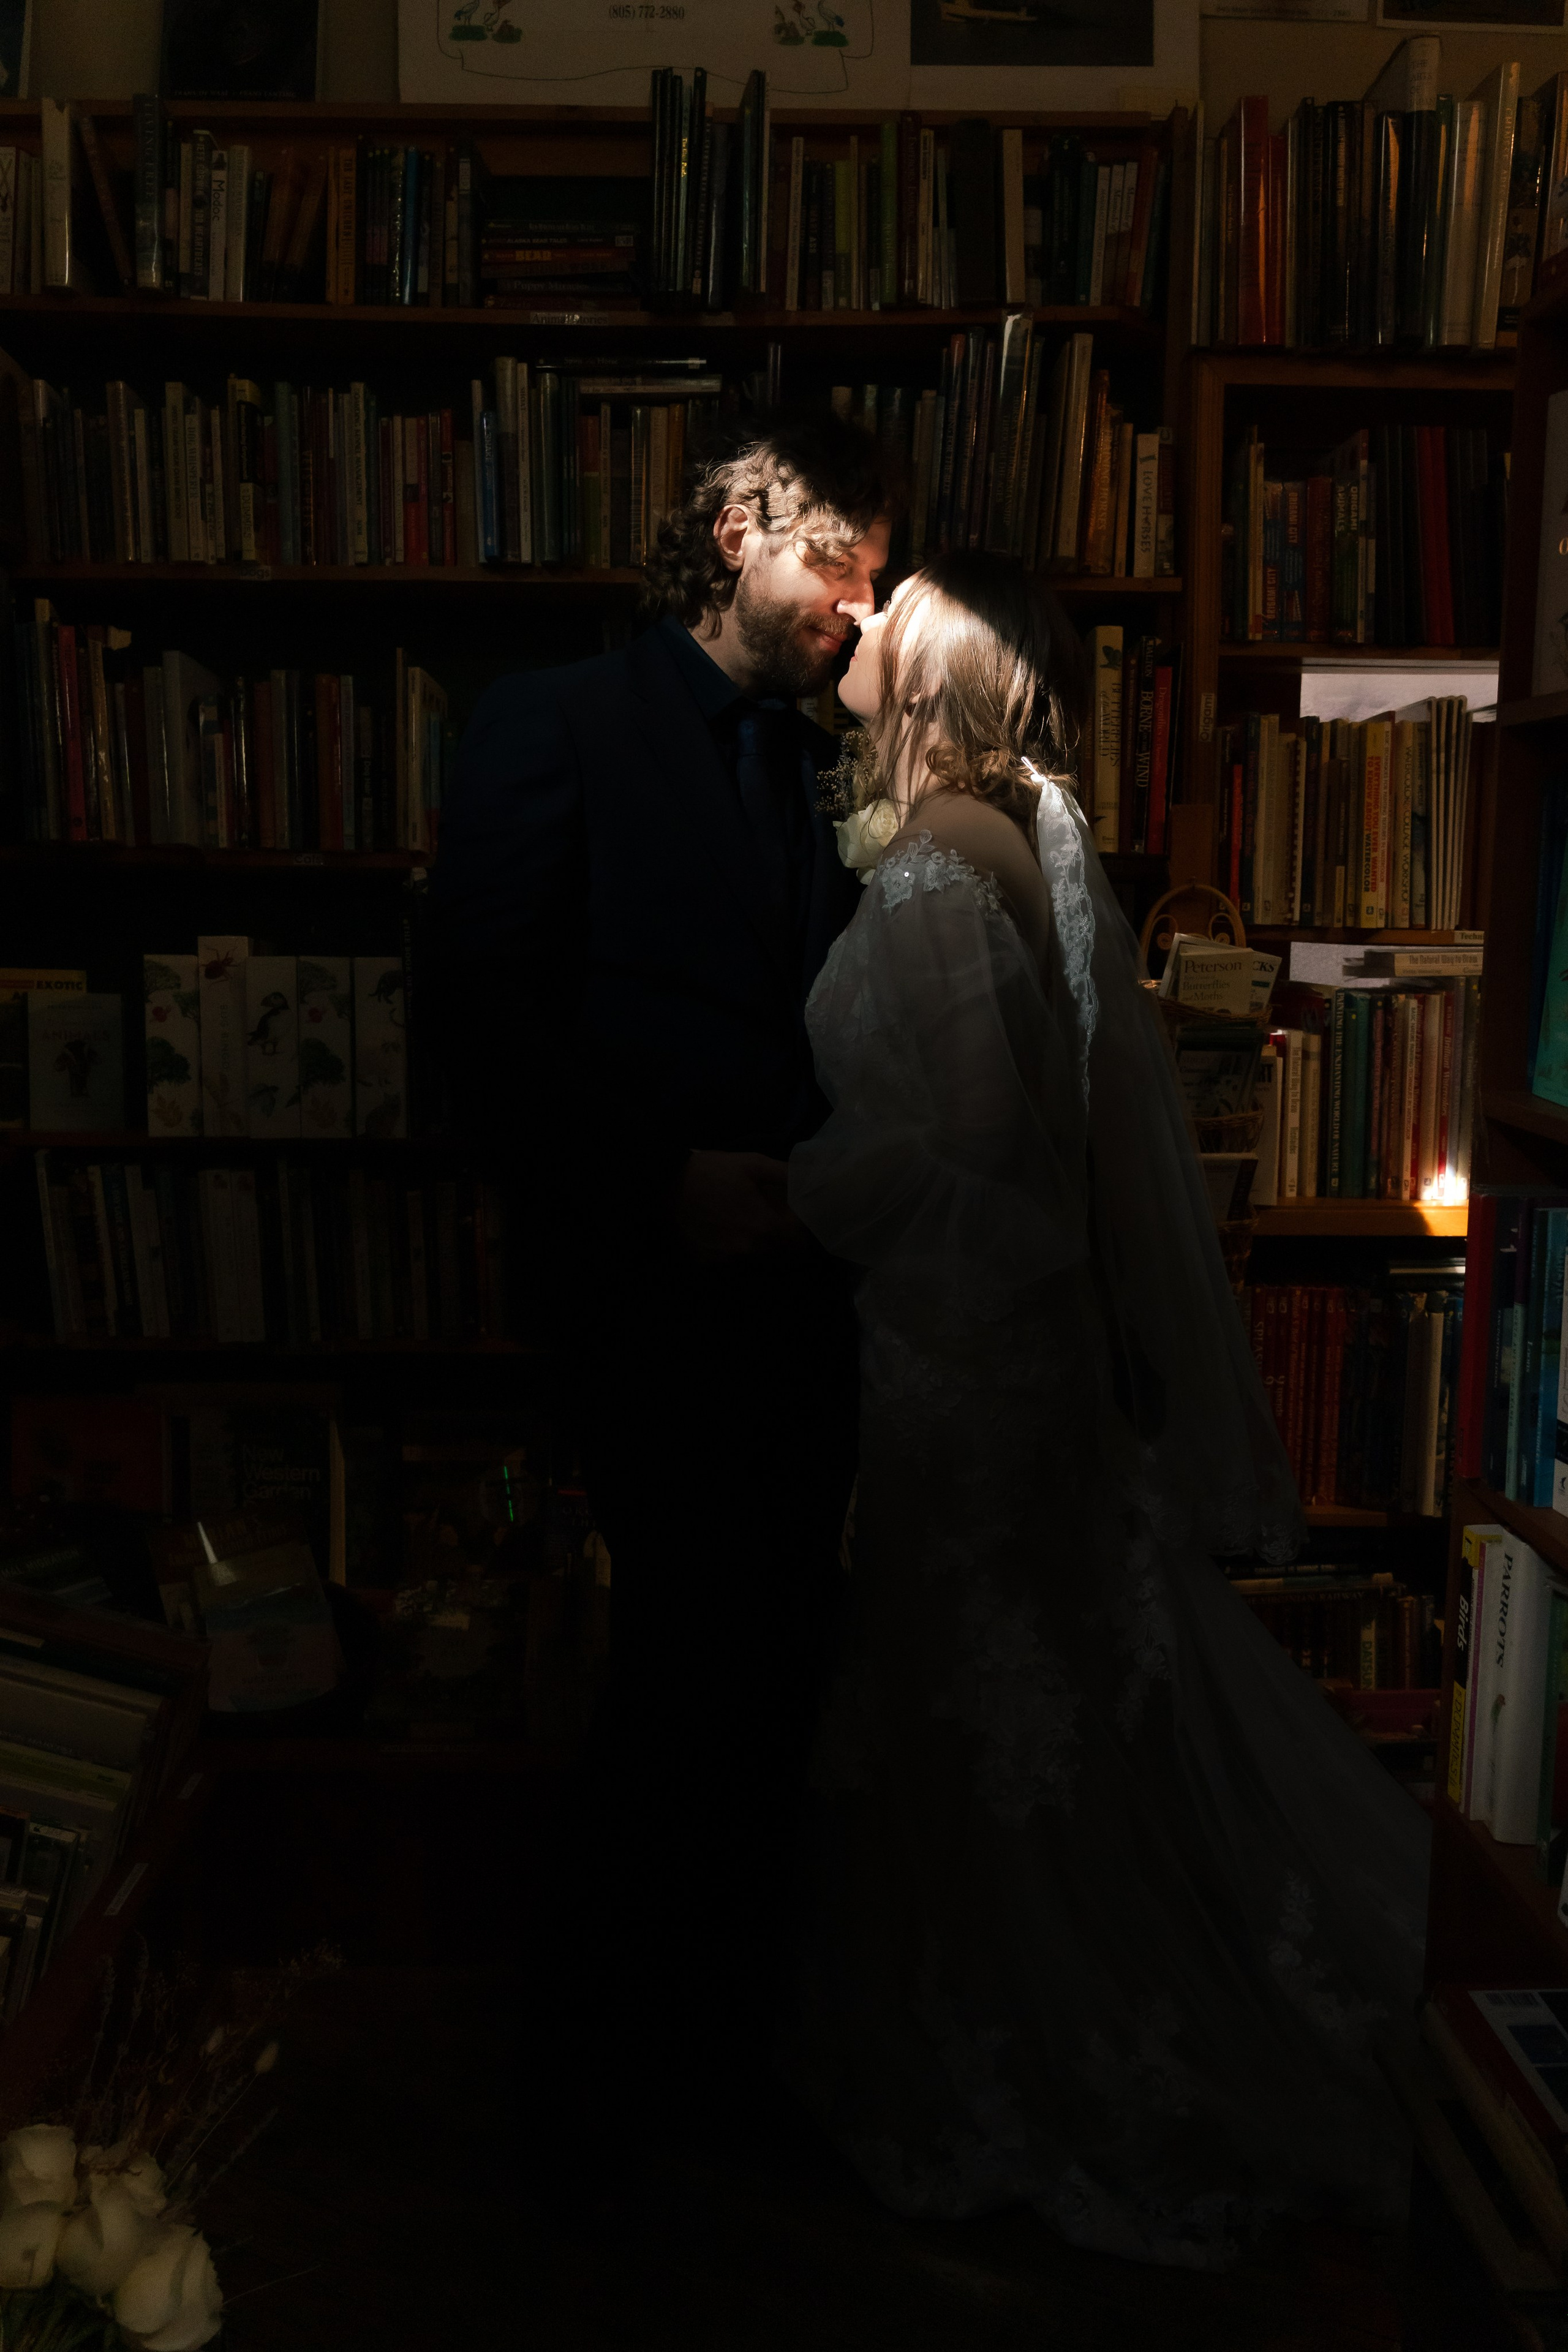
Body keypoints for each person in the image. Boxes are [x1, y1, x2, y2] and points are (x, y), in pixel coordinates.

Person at [786, 549, 1430, 2270]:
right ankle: (1066, 2039)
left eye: (894, 608)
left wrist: (790, 1192)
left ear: (950, 663)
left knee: (995, 1733)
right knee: (1061, 1723)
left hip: (972, 1384)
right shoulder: (1030, 837)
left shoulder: (938, 868)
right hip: (1019, 1367)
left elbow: (987, 1156)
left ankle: (1030, 2078)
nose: (857, 621)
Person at [427, 409, 894, 2124]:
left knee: (781, 1666)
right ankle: (603, 2088)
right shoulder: (551, 724)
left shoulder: (826, 750)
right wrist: (659, 1184)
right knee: (691, 1657)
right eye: (842, 556)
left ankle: (727, 2059)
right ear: (734, 538)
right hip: (639, 1282)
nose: (869, 596)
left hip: (814, 1292)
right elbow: (472, 1026)